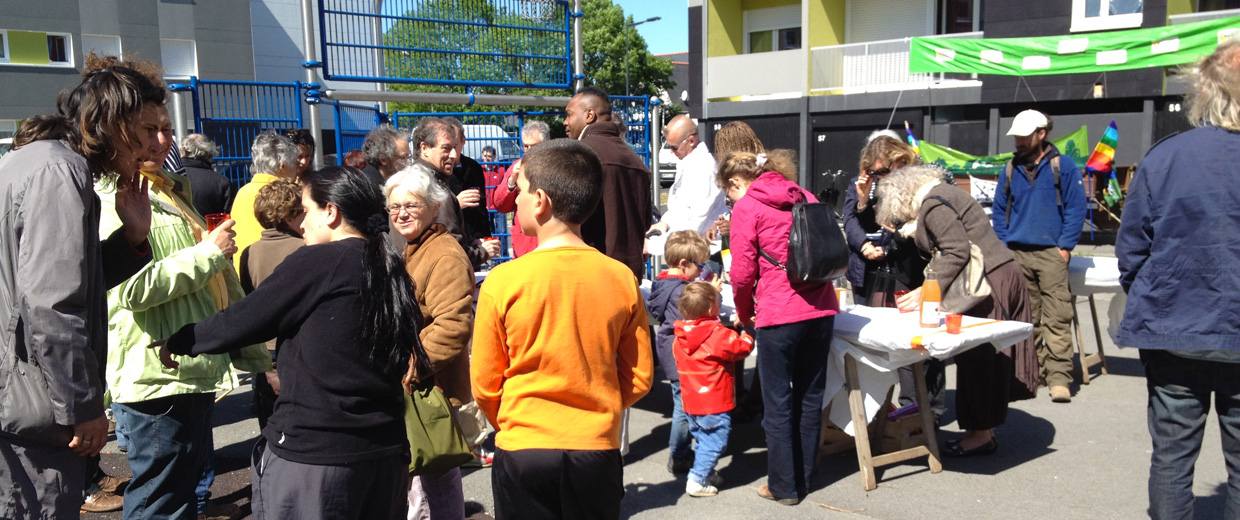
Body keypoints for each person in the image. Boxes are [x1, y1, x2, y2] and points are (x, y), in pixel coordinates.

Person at [153, 165, 429, 520]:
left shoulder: (321, 261)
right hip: (385, 450)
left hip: (318, 453)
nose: (300, 223)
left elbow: (246, 318)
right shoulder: (387, 264)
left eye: (305, 210)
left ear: (331, 212)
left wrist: (182, 339)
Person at [0, 66, 159, 519]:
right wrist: (82, 406)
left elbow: (53, 281)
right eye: (147, 129)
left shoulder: (37, 162)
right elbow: (52, 304)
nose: (154, 145)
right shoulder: (59, 171)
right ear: (113, 120)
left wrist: (131, 239)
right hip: (31, 410)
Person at [471, 139, 653, 520]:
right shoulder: (620, 278)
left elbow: (486, 383)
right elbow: (638, 377)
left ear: (539, 201)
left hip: (524, 445)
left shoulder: (503, 281)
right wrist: (598, 407)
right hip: (595, 447)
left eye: (518, 190)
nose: (514, 200)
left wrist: (515, 419)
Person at [99, 99, 256, 520]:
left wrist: (254, 355)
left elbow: (215, 281)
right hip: (155, 374)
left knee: (181, 496)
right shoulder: (111, 195)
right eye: (149, 130)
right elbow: (130, 289)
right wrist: (208, 253)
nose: (162, 140)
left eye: (166, 128)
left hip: (189, 366)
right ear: (117, 131)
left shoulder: (166, 187)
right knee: (160, 503)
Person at [1116, 41, 1240, 520]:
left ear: (1205, 92)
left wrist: (1156, 297)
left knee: (1172, 455)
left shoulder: (1167, 157)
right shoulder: (1168, 155)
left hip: (1174, 328)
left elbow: (1132, 251)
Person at [876, 164, 1038, 457]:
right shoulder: (941, 194)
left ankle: (981, 434)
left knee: (977, 355)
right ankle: (983, 429)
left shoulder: (934, 204)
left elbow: (955, 250)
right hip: (994, 275)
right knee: (984, 356)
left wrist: (928, 290)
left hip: (987, 281)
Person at [720, 152, 837, 505]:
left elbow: (741, 274)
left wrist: (744, 313)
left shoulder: (748, 208)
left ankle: (783, 486)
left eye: (728, 192)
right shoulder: (806, 195)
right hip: (821, 307)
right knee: (810, 396)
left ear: (737, 182)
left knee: (777, 402)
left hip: (779, 311)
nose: (730, 199)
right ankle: (803, 475)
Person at [384, 164, 475, 520]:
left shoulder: (443, 254)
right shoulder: (415, 247)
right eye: (394, 207)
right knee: (432, 482)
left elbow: (452, 326)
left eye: (412, 205)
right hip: (422, 390)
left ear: (435, 207)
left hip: (431, 392)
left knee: (427, 487)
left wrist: (410, 368)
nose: (401, 213)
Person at [844, 134, 945, 424]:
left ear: (901, 160)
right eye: (873, 172)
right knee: (878, 342)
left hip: (910, 271)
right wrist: (864, 205)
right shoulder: (862, 185)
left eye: (884, 171)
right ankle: (883, 411)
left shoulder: (922, 181)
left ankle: (925, 410)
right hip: (874, 274)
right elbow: (850, 221)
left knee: (918, 343)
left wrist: (894, 230)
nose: (878, 177)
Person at [991, 109, 1087, 403]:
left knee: (1057, 317)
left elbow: (1076, 208)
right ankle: (1033, 375)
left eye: (1023, 136)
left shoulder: (1064, 166)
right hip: (1018, 253)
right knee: (1025, 321)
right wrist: (1005, 244)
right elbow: (997, 210)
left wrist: (1065, 247)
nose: (1018, 141)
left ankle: (1059, 379)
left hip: (1051, 254)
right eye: (1016, 136)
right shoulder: (1008, 168)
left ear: (1041, 134)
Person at [673, 281, 754, 497]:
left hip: (691, 401)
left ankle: (704, 472)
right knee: (715, 441)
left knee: (703, 439)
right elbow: (742, 347)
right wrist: (748, 331)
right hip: (715, 401)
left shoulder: (679, 336)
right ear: (711, 309)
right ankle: (697, 479)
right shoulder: (718, 335)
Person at [564, 86, 653, 278]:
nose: (565, 122)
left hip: (592, 275)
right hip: (629, 276)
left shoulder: (579, 156)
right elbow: (645, 223)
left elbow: (565, 223)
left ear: (589, 115)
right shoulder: (636, 161)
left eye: (569, 115)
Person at [238, 180, 306, 430]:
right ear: (290, 217)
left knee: (270, 421)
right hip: (298, 346)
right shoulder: (306, 248)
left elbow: (248, 303)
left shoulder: (249, 252)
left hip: (265, 351)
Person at [647, 230, 712, 476]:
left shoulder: (663, 283)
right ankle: (679, 455)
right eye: (700, 265)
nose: (702, 269)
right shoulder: (681, 292)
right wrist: (711, 292)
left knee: (681, 405)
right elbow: (697, 316)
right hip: (681, 355)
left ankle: (681, 451)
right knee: (683, 408)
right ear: (684, 264)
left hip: (670, 352)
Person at [411, 117, 500, 269]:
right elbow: (452, 251)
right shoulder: (426, 185)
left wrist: (474, 242)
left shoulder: (427, 178)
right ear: (424, 148)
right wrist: (483, 252)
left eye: (455, 147)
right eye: (446, 148)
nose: (453, 155)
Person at [646, 115, 727, 239]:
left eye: (675, 147)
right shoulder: (689, 162)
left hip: (702, 249)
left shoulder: (703, 167)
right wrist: (665, 222)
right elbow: (680, 206)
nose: (671, 151)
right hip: (693, 245)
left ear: (691, 141)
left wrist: (661, 244)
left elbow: (697, 218)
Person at [231, 131, 299, 272]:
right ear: (283, 166)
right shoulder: (284, 196)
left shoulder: (243, 192)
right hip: (277, 274)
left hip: (245, 274)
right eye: (295, 163)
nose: (297, 169)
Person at [491, 121, 549, 258]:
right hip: (524, 243)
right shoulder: (517, 166)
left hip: (548, 237)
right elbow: (500, 204)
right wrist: (511, 181)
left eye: (534, 146)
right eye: (525, 146)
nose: (528, 151)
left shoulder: (557, 165)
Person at [442, 117, 492, 242]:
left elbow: (482, 207)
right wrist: (456, 203)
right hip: (451, 240)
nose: (451, 153)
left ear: (463, 140)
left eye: (455, 145)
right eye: (446, 147)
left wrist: (486, 237)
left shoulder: (474, 167)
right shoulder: (437, 171)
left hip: (476, 239)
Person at [180, 134, 236, 216]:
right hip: (213, 227)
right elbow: (229, 216)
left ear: (183, 152)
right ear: (208, 152)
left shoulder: (172, 176)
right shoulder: (221, 182)